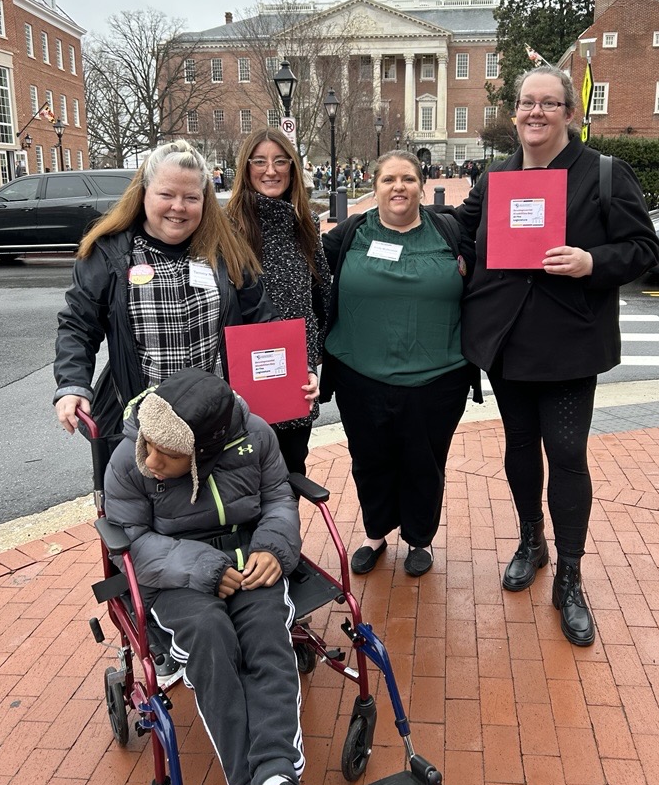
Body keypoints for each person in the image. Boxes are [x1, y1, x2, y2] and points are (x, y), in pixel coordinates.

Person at [104, 367, 359, 785]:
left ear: (204, 453)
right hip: (176, 576)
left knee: (268, 639)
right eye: (150, 445)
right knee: (212, 640)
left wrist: (274, 549)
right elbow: (133, 542)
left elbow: (278, 498)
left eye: (167, 453)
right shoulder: (128, 460)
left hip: (251, 562)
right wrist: (204, 566)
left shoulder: (255, 436)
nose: (150, 459)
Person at [457, 65, 659, 647]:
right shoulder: (496, 178)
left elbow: (643, 247)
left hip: (570, 340)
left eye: (548, 103)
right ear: (515, 113)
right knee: (519, 448)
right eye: (526, 103)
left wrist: (591, 262)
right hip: (507, 339)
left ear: (570, 113)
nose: (535, 113)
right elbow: (457, 232)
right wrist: (383, 228)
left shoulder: (603, 174)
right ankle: (531, 540)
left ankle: (569, 575)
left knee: (566, 453)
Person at [321, 151, 480, 578]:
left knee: (424, 461)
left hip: (437, 379)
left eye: (408, 178)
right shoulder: (350, 233)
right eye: (389, 179)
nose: (399, 187)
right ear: (374, 186)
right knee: (369, 459)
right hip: (359, 376)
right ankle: (375, 533)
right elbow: (302, 271)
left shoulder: (450, 232)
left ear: (422, 185)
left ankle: (419, 538)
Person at [54, 140, 277, 439]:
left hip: (215, 421)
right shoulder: (110, 254)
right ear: (144, 192)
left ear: (204, 200)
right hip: (142, 427)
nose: (178, 207)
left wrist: (295, 371)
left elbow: (261, 320)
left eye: (191, 197)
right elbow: (78, 325)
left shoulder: (226, 251)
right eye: (166, 194)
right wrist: (72, 385)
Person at [226, 128, 330, 474]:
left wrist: (312, 364)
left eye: (280, 161)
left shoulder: (306, 224)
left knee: (291, 476)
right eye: (259, 161)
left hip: (292, 378)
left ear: (292, 167)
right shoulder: (227, 229)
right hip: (241, 383)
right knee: (244, 483)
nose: (270, 170)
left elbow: (320, 302)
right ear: (246, 168)